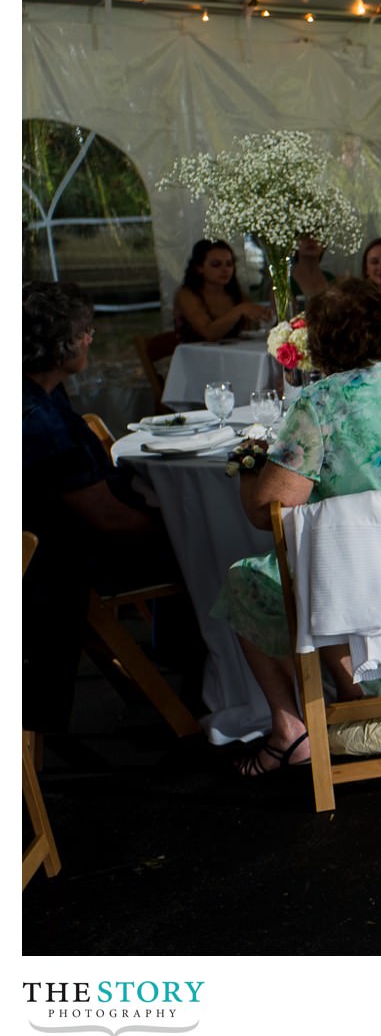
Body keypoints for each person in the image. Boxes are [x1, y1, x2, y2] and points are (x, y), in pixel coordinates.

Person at [211, 279, 381, 774]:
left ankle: (289, 729)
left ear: (320, 342)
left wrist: (249, 469)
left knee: (244, 580)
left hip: (364, 590)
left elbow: (268, 512)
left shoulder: (317, 404)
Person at [24, 282, 198, 734]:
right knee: (208, 549)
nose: (91, 337)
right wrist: (181, 525)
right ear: (57, 343)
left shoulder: (40, 392)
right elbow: (108, 520)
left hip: (60, 551)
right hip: (68, 564)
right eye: (84, 331)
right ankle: (206, 689)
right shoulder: (37, 422)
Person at [174, 238, 271, 342]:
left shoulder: (237, 295)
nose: (225, 270)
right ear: (199, 267)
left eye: (229, 264)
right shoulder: (187, 295)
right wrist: (240, 310)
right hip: (194, 355)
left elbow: (254, 328)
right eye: (216, 264)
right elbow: (209, 333)